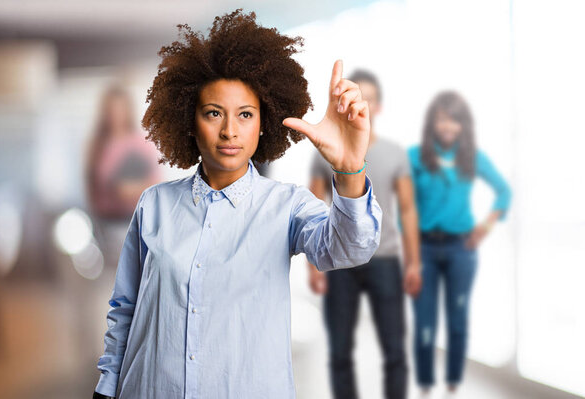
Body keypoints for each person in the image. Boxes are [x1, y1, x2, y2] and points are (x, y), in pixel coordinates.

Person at [93, 10, 382, 399]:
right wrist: (107, 386)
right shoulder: (154, 205)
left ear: (263, 123)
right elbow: (125, 307)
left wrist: (350, 171)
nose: (229, 130)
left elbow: (350, 247)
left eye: (245, 114)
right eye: (214, 113)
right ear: (190, 121)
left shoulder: (288, 206)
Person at [307, 70, 421, 399]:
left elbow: (409, 210)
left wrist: (413, 263)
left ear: (378, 106)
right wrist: (312, 265)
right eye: (356, 97)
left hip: (385, 260)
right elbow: (314, 207)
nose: (363, 104)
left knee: (395, 350)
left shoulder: (394, 154)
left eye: (368, 98)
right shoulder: (325, 150)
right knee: (339, 352)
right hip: (340, 263)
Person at [408, 91, 512, 397]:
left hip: (460, 250)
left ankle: (453, 385)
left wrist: (486, 226)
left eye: (455, 120)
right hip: (425, 248)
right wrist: (412, 260)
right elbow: (408, 210)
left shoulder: (474, 158)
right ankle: (425, 385)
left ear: (463, 124)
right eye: (442, 118)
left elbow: (503, 192)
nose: (448, 126)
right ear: (432, 121)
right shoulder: (415, 157)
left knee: (457, 320)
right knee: (425, 323)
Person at [85, 86, 162, 267]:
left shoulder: (140, 143)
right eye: (111, 110)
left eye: (120, 109)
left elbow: (156, 183)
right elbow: (93, 187)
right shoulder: (98, 146)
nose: (115, 115)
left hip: (132, 223)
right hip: (103, 226)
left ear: (128, 111)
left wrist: (131, 189)